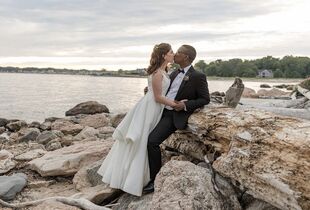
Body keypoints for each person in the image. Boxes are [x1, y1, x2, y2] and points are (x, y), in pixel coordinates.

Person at [97, 43, 177, 196]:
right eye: (171, 52)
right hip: (150, 108)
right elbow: (158, 97)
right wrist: (176, 104)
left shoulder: (164, 71)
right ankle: (132, 178)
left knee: (144, 139)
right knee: (141, 141)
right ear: (163, 55)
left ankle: (141, 176)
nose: (173, 54)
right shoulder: (158, 73)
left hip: (154, 108)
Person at [143, 44, 210, 193]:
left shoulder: (198, 76)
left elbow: (205, 99)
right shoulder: (172, 73)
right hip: (158, 111)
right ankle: (142, 173)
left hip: (173, 115)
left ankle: (155, 180)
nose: (175, 55)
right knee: (141, 138)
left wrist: (185, 105)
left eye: (178, 52)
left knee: (152, 141)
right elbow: (161, 90)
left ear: (186, 57)